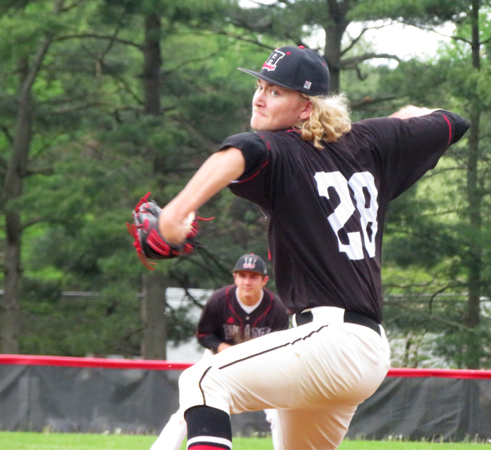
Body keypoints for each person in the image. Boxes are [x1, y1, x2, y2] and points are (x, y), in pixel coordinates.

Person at [156, 45, 470, 450]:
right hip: (362, 351)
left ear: (305, 109)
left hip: (327, 342)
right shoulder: (371, 144)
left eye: (276, 91)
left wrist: (177, 211)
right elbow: (451, 122)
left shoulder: (285, 149)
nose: (259, 96)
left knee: (202, 379)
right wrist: (403, 118)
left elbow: (242, 150)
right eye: (260, 85)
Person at [150, 253, 289, 450]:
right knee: (187, 411)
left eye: (253, 276)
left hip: (261, 367)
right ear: (235, 277)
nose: (247, 281)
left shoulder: (277, 308)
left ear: (264, 280)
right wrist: (227, 350)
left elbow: (280, 347)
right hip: (219, 363)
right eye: (242, 275)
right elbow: (204, 334)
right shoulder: (219, 300)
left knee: (280, 414)